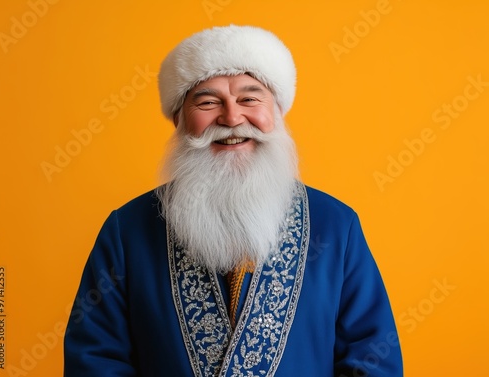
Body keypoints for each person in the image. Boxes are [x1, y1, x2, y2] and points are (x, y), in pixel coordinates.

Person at [63, 25, 403, 376]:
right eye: (208, 102)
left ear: (277, 113)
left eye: (250, 99)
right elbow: (95, 360)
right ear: (179, 120)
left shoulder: (335, 225)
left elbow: (372, 358)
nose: (231, 118)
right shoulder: (129, 230)